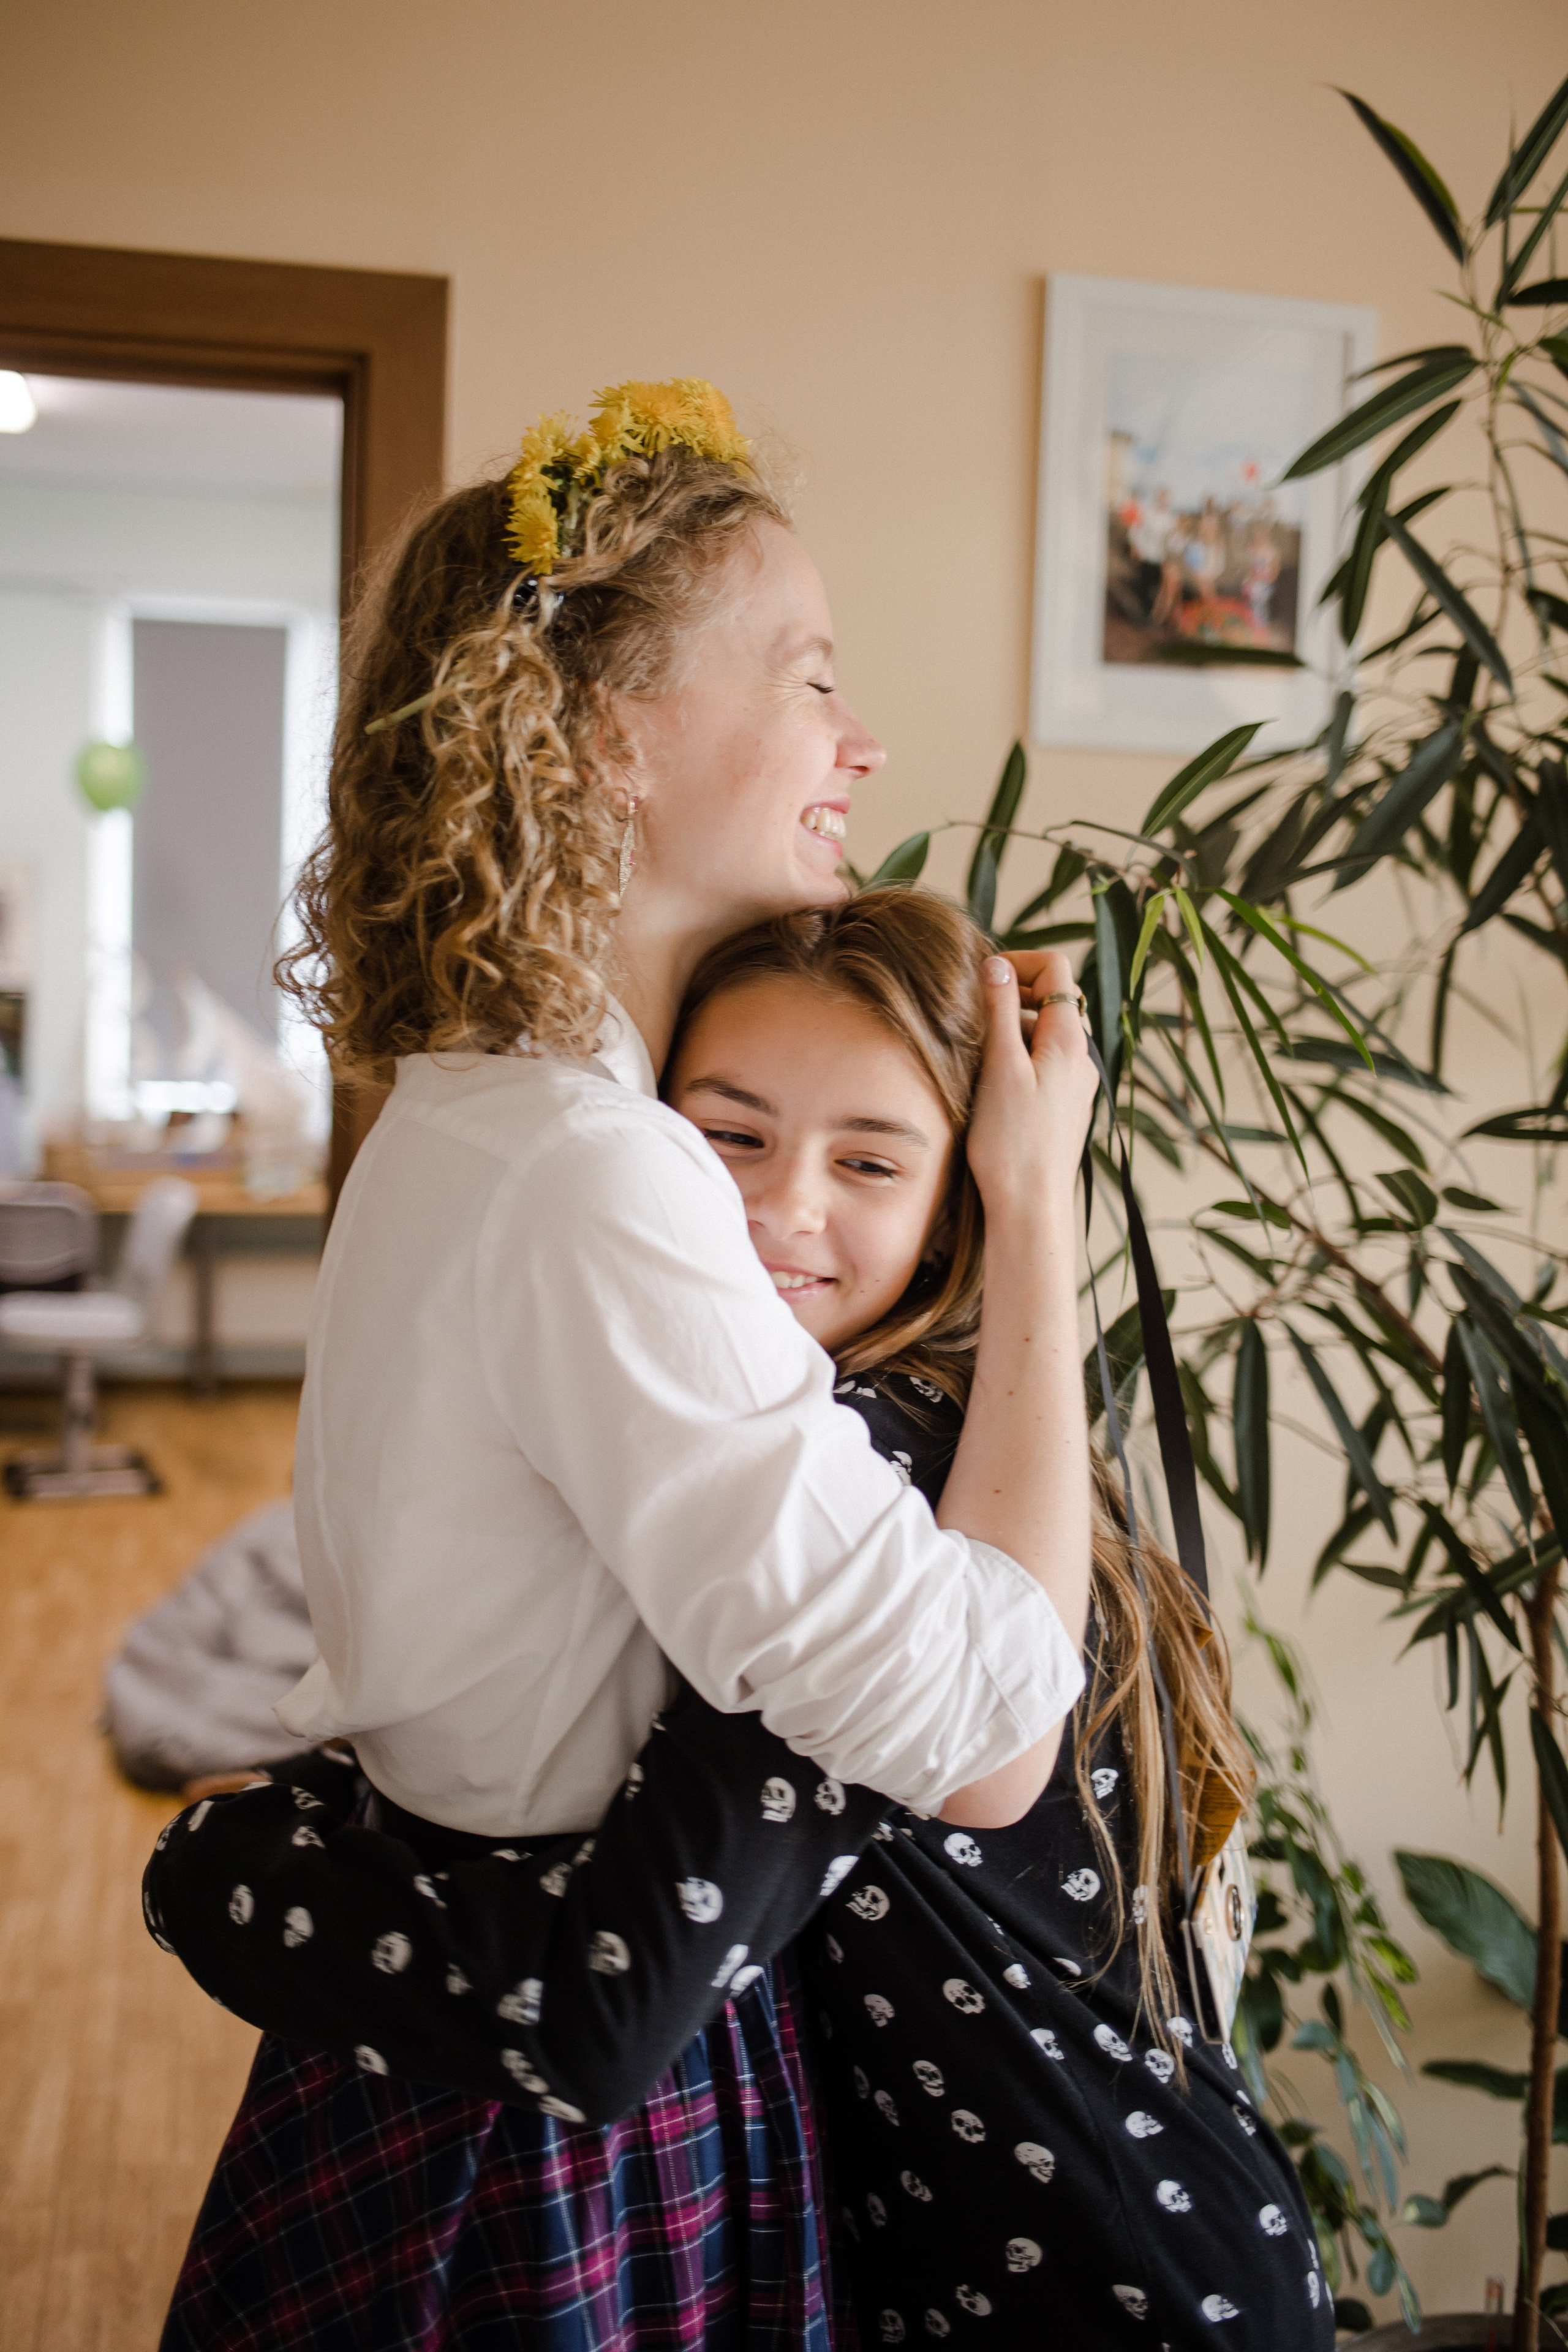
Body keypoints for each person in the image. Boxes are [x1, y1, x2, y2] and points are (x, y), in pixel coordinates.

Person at [151, 381, 1096, 2350]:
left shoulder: (485, 1114)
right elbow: (996, 1735)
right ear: (606, 732)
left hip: (470, 2055)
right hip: (553, 2138)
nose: (867, 740)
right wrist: (1042, 1220)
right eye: (811, 673)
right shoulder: (600, 1178)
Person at [149, 890, 1329, 2350]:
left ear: (954, 1199)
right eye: (730, 1134)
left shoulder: (861, 1476)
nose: (784, 1210)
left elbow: (594, 2001)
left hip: (1096, 2286)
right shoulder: (950, 1432)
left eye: (870, 1160)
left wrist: (207, 1865)